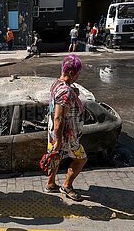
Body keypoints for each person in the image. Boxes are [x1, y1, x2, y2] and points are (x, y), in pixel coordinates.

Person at [45, 54, 87, 202]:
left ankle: (50, 184)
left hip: (53, 132)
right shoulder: (65, 92)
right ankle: (67, 186)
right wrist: (58, 141)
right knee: (81, 159)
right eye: (78, 73)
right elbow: (59, 118)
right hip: (66, 136)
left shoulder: (57, 83)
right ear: (71, 73)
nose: (78, 76)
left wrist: (73, 92)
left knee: (54, 156)